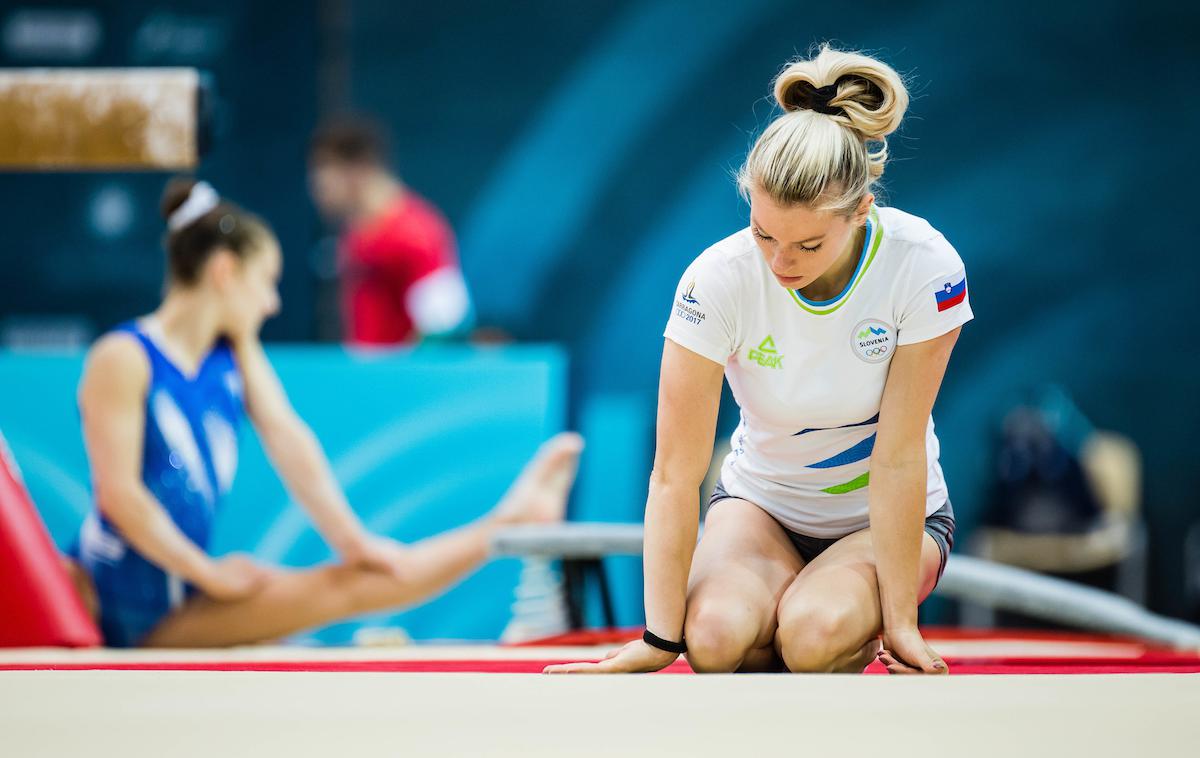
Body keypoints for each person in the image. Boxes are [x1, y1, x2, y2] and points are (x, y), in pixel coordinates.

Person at [546, 46, 971, 675]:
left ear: (860, 210)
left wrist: (900, 622)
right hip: (761, 508)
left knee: (811, 638)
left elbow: (900, 452)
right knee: (714, 643)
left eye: (807, 244)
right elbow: (673, 474)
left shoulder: (924, 265)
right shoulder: (717, 279)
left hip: (880, 521)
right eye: (764, 233)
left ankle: (828, 620)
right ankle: (782, 611)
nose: (781, 263)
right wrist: (659, 641)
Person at [70, 178, 581, 647]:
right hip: (115, 607)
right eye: (266, 282)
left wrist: (354, 541)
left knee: (371, 575)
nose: (271, 303)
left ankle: (510, 521)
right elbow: (121, 498)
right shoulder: (123, 356)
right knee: (358, 587)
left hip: (181, 600)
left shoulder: (232, 355)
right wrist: (209, 573)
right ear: (225, 272)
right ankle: (509, 520)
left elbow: (290, 441)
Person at [308, 118, 473, 346]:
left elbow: (444, 328)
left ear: (357, 171)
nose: (316, 190)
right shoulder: (355, 233)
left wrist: (399, 377)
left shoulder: (416, 233)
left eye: (323, 178)